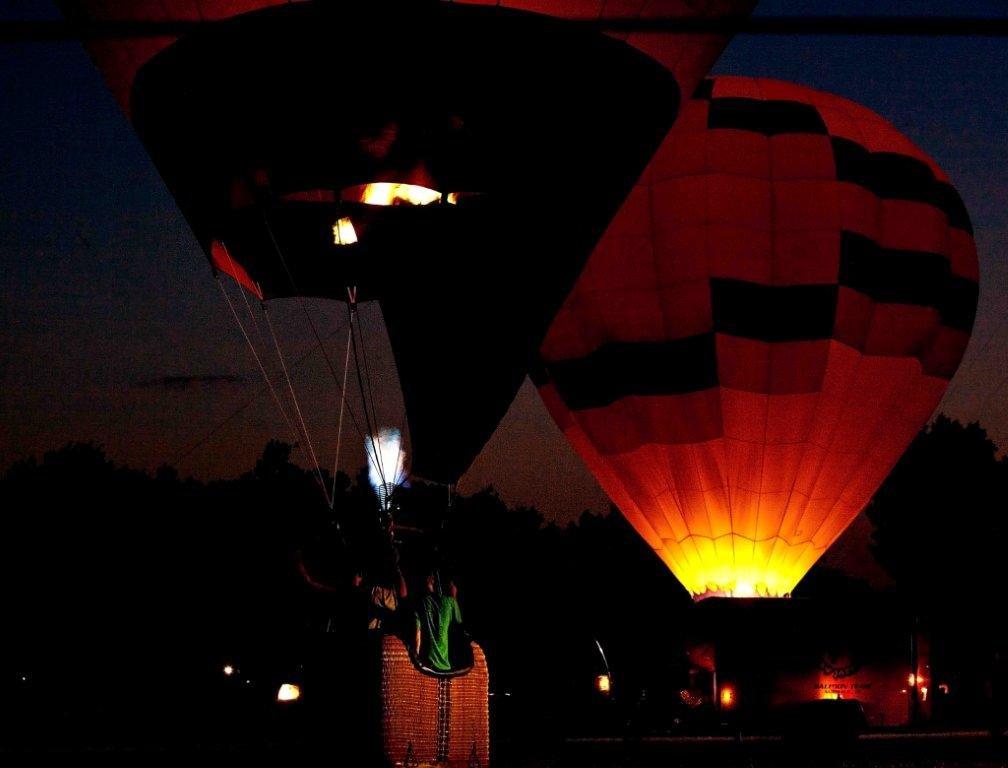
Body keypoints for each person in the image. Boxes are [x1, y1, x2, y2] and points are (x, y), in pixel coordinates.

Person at [414, 571, 465, 673]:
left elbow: (417, 635)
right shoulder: (450, 602)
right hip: (446, 666)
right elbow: (459, 623)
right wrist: (454, 597)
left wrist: (417, 660)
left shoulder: (420, 603)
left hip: (427, 664)